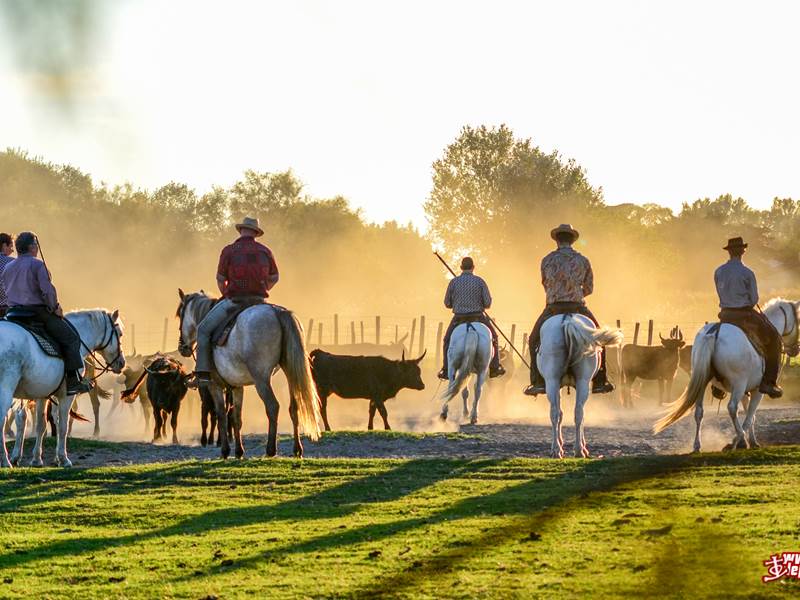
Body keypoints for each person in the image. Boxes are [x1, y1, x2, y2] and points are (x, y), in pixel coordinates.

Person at [524, 224, 614, 396]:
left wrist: (556, 293)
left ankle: (537, 382)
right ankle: (600, 381)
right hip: (578, 307)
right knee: (600, 340)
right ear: (572, 240)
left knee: (534, 340)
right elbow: (589, 288)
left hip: (553, 308)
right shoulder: (583, 260)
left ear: (557, 240)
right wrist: (576, 292)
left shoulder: (547, 260)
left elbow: (545, 284)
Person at [0, 232, 92, 394]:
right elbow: (47, 292)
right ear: (32, 247)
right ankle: (72, 382)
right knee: (71, 339)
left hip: (13, 314)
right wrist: (55, 307)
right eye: (36, 245)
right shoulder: (37, 265)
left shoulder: (8, 267)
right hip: (36, 313)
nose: (37, 248)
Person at [193, 217, 279, 384]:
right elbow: (275, 277)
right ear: (256, 233)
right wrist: (263, 288)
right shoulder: (265, 251)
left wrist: (226, 293)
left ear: (241, 230)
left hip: (235, 300)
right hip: (260, 300)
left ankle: (202, 375)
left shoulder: (229, 251)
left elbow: (220, 278)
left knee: (203, 330)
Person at [714, 236, 783, 398]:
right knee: (774, 338)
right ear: (743, 252)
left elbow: (719, 293)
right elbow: (753, 299)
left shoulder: (718, 271)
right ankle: (769, 382)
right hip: (744, 315)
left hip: (725, 315)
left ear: (729, 252)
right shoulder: (747, 272)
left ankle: (717, 384)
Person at [437, 256, 505, 380]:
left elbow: (447, 303)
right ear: (473, 268)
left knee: (447, 341)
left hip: (459, 319)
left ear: (461, 268)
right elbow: (487, 303)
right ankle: (495, 367)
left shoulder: (454, 282)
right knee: (494, 337)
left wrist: (458, 302)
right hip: (478, 317)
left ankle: (446, 370)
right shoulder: (480, 281)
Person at [0, 232, 14, 318]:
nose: (12, 250)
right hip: (6, 309)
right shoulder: (12, 262)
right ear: (4, 245)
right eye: (11, 246)